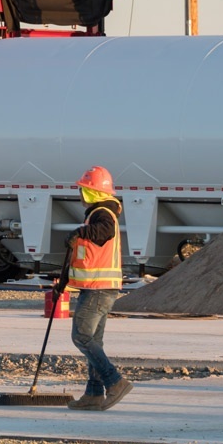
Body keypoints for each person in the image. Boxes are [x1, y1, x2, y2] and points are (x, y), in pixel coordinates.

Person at [57, 165, 134, 410]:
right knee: (94, 342)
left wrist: (80, 231)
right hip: (97, 288)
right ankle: (93, 394)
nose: (80, 194)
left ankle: (115, 382)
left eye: (83, 189)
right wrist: (63, 284)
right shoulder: (98, 213)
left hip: (99, 289)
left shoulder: (104, 214)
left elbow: (104, 233)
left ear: (93, 192)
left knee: (81, 336)